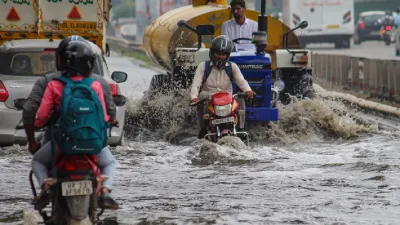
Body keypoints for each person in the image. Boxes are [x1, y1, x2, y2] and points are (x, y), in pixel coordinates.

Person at [24, 36, 119, 210]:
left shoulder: (53, 84)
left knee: (38, 161)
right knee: (110, 163)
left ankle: (47, 189)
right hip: (93, 143)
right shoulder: (97, 85)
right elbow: (105, 116)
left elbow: (41, 115)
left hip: (62, 143)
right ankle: (105, 192)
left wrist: (36, 126)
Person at [190, 35, 255, 138]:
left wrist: (248, 91)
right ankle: (203, 128)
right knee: (202, 95)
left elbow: (242, 82)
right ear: (212, 52)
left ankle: (241, 128)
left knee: (241, 98)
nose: (220, 56)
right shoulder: (203, 66)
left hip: (228, 99)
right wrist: (194, 97)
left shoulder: (232, 66)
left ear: (227, 55)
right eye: (218, 53)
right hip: (210, 99)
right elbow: (196, 84)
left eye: (223, 54)